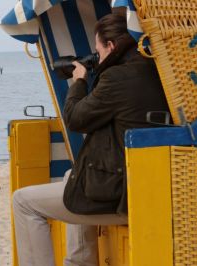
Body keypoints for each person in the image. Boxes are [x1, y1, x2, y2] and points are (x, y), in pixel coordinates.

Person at [12, 13, 169, 266]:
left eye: (99, 50)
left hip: (122, 197)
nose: (99, 57)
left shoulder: (117, 78)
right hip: (151, 187)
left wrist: (80, 81)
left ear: (112, 46)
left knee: (23, 202)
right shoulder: (156, 70)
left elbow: (75, 119)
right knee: (71, 177)